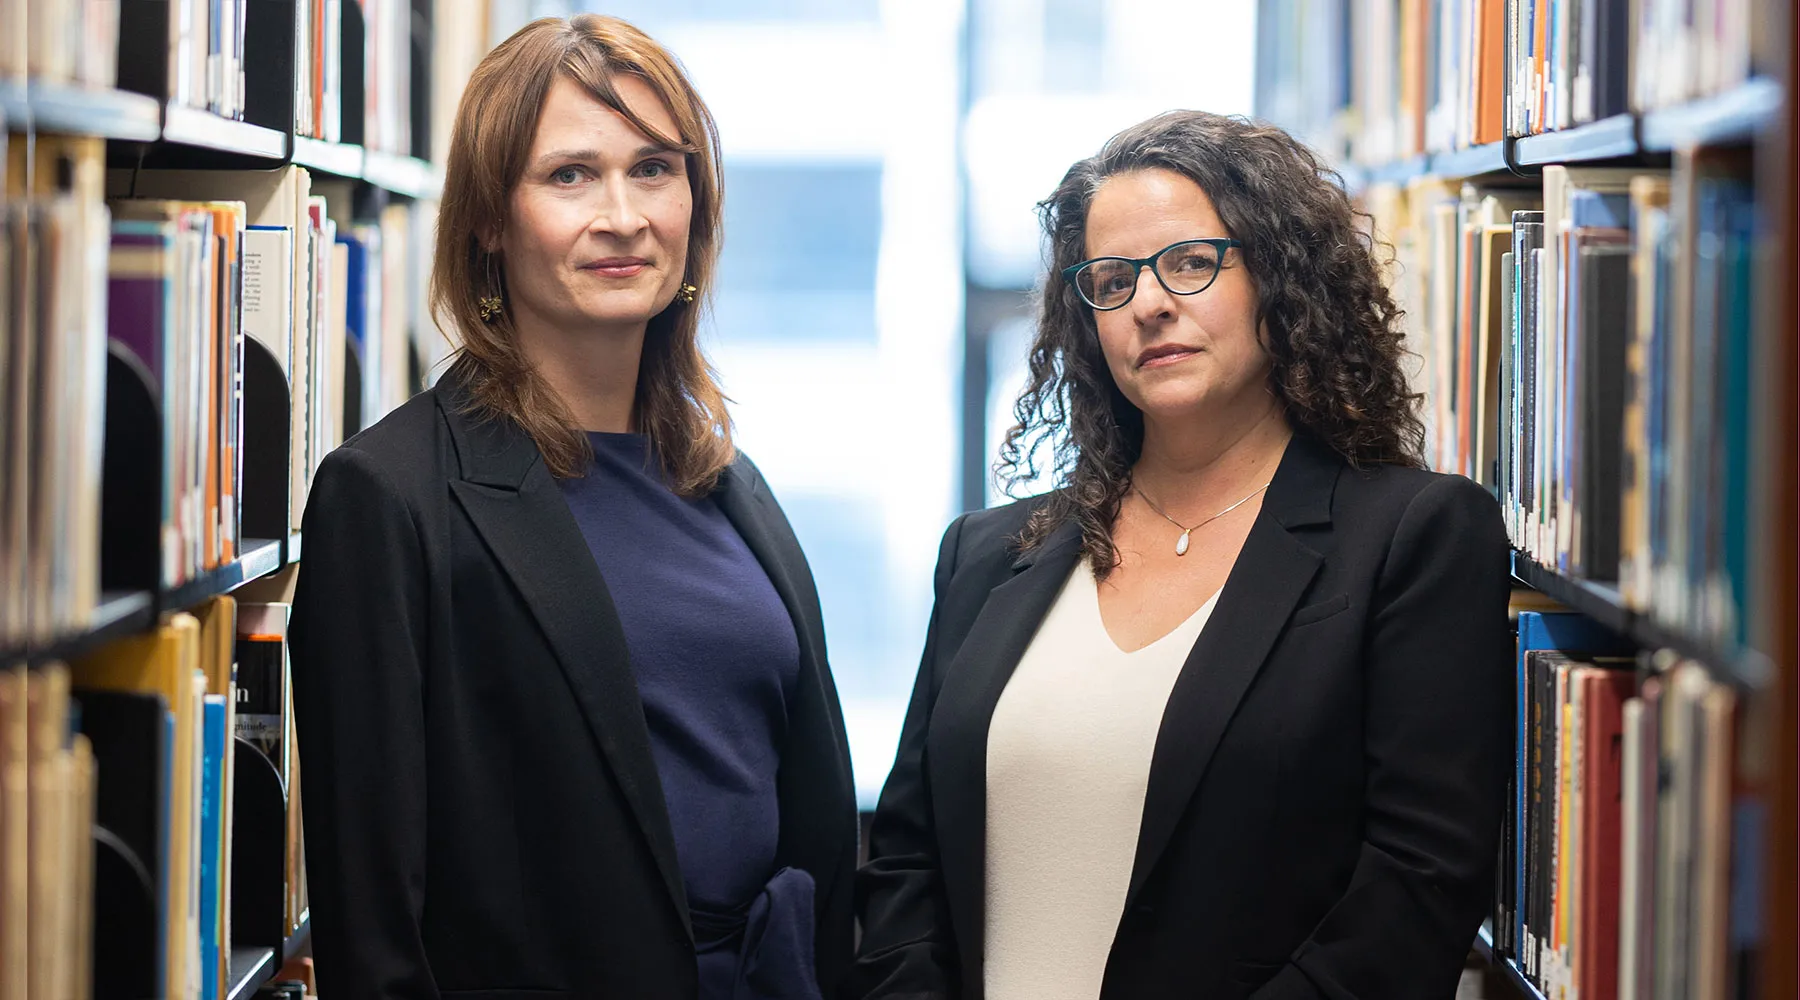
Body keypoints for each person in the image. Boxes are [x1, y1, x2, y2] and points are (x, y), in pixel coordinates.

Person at [852, 111, 1512, 1000]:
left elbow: (1415, 888)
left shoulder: (1411, 539)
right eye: (1113, 280)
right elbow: (904, 861)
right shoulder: (985, 556)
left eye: (1192, 264)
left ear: (1279, 276)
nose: (1151, 304)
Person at [289, 15, 857, 1000]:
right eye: (569, 175)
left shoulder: (728, 482)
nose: (622, 215)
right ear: (489, 220)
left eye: (653, 169)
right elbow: (374, 934)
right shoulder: (388, 499)